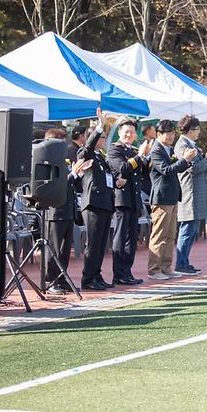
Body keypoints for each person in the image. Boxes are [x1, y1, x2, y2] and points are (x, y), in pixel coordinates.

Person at [42, 128, 93, 295]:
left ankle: (61, 279)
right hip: (55, 212)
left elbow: (69, 183)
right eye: (60, 142)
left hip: (67, 209)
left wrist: (78, 173)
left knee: (64, 250)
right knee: (54, 249)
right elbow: (56, 185)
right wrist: (73, 173)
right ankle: (51, 280)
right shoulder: (46, 161)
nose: (64, 146)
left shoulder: (61, 161)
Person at [79, 109, 125, 290]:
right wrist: (99, 126)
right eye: (102, 137)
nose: (105, 140)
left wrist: (116, 181)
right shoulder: (88, 153)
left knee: (101, 244)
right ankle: (88, 278)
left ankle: (96, 275)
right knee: (93, 242)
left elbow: (105, 178)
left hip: (105, 203)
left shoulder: (101, 157)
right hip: (93, 204)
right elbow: (86, 150)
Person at [148, 119, 195, 280]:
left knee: (170, 236)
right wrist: (185, 160)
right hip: (161, 198)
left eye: (173, 133)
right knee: (159, 235)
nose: (171, 136)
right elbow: (166, 170)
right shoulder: (156, 150)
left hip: (172, 197)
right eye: (168, 133)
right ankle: (154, 270)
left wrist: (185, 161)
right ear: (159, 134)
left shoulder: (168, 149)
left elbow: (175, 168)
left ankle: (166, 267)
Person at [107, 119, 152, 285]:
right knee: (121, 237)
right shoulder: (114, 149)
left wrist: (145, 157)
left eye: (132, 132)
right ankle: (118, 274)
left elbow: (143, 173)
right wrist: (140, 156)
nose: (129, 135)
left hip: (134, 198)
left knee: (132, 238)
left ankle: (127, 272)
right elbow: (124, 169)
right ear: (120, 133)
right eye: (126, 132)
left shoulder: (133, 150)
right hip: (121, 198)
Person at [175, 115, 207, 275]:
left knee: (191, 230)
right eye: (197, 129)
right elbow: (193, 168)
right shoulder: (183, 145)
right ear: (191, 130)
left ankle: (184, 261)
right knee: (187, 229)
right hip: (189, 192)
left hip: (196, 192)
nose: (199, 132)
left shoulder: (190, 144)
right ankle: (181, 263)